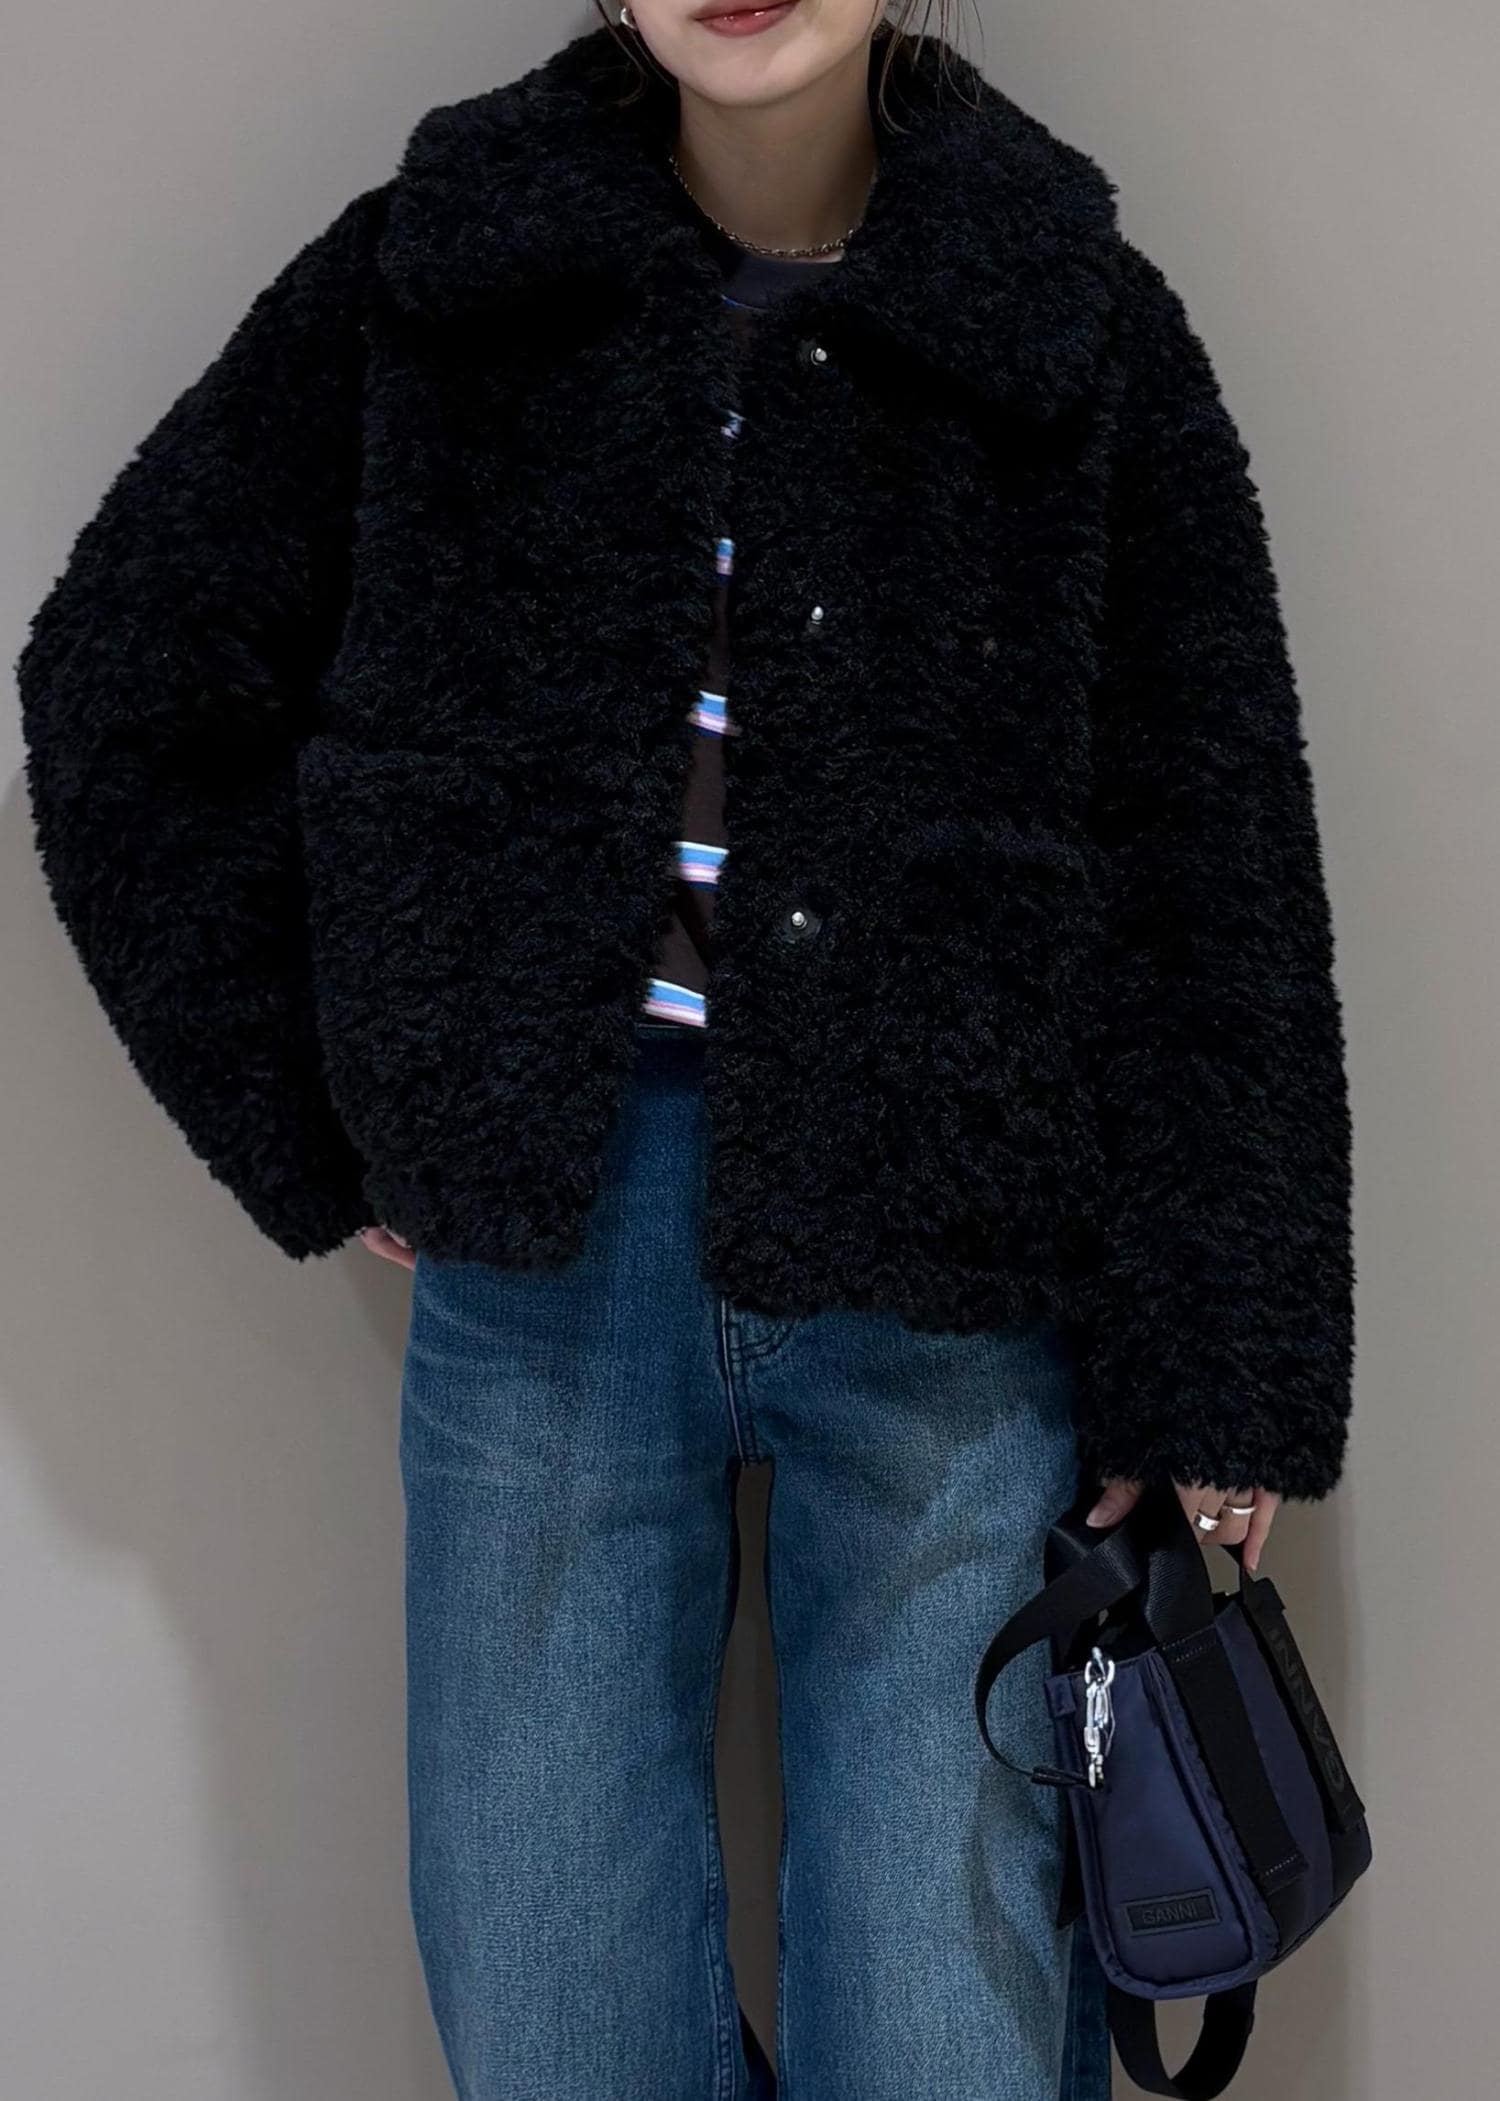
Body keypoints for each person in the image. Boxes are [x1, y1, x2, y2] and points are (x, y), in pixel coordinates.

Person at [15, 4, 1354, 2097]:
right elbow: (119, 685)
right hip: (550, 1263)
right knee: (550, 2017)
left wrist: (1219, 1369)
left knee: (950, 2035)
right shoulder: (442, 271)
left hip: (946, 1277)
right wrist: (336, 1106)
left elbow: (1220, 863)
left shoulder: (1071, 319)